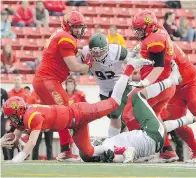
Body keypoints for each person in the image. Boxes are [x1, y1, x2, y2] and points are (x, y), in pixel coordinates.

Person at [1, 59, 146, 163]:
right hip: (74, 125)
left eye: (12, 116)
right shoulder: (22, 117)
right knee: (88, 152)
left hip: (80, 112)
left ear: (19, 111)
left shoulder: (32, 116)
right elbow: (15, 136)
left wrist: (19, 157)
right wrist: (4, 141)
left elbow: (31, 143)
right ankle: (123, 150)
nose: (11, 119)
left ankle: (130, 68)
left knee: (114, 102)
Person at [130, 10, 196, 162]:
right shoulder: (158, 31)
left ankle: (165, 148)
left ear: (148, 27)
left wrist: (145, 83)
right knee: (159, 117)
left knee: (143, 115)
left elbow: (158, 66)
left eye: (140, 28)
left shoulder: (155, 40)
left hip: (167, 81)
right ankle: (176, 150)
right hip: (171, 82)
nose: (137, 31)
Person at [33, 11, 90, 162]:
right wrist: (89, 65)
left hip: (46, 81)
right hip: (48, 81)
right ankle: (66, 151)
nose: (78, 30)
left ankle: (25, 136)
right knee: (66, 113)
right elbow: (75, 67)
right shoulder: (66, 38)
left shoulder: (62, 35)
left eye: (80, 27)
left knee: (56, 115)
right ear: (67, 26)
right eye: (75, 27)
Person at [77, 33, 144, 137]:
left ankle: (112, 144)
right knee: (118, 120)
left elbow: (131, 59)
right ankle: (124, 141)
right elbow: (76, 66)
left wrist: (135, 56)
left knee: (115, 115)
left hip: (122, 86)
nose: (98, 54)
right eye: (95, 52)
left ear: (107, 48)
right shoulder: (86, 52)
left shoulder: (117, 51)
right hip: (104, 90)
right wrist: (82, 61)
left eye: (101, 51)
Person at [0, 88, 11, 160]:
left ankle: (7, 158)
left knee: (3, 137)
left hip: (1, 117)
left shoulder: (3, 92)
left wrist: (7, 121)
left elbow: (7, 106)